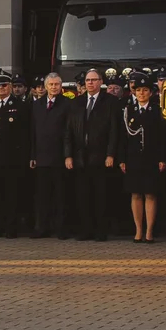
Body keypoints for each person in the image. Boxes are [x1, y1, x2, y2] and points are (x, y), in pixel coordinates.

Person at [65, 69, 121, 241]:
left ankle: (100, 231)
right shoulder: (77, 102)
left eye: (93, 80)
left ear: (100, 82)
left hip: (101, 157)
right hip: (81, 157)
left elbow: (114, 130)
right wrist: (68, 155)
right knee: (83, 196)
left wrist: (111, 154)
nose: (90, 83)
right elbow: (68, 131)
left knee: (101, 196)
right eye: (87, 80)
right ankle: (86, 230)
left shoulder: (111, 102)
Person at [0, 72, 31, 238]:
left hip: (12, 158)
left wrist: (24, 157)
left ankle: (11, 228)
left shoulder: (20, 106)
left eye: (4, 85)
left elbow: (25, 135)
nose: (1, 88)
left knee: (12, 195)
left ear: (10, 87)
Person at [118, 74, 166, 243]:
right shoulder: (128, 111)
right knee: (136, 194)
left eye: (145, 90)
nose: (141, 94)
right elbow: (123, 137)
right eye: (138, 90)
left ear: (150, 93)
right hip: (133, 158)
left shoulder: (156, 111)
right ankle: (138, 230)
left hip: (151, 158)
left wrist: (162, 158)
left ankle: (149, 231)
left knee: (150, 194)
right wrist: (122, 159)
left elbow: (162, 137)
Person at [29, 72, 70, 239]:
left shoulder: (67, 104)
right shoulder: (37, 105)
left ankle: (61, 229)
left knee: (60, 196)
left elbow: (69, 132)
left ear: (61, 87)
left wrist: (68, 155)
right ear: (45, 87)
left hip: (60, 158)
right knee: (42, 196)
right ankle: (41, 228)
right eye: (51, 84)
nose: (54, 87)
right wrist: (32, 155)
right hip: (41, 157)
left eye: (57, 84)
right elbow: (32, 132)